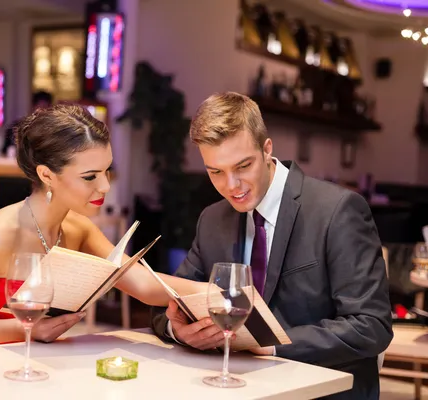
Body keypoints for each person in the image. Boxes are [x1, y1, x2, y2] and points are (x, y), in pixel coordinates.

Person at [151, 92, 393, 399]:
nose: (231, 186)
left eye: (243, 166)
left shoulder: (337, 211)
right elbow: (171, 303)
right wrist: (178, 330)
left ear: (267, 149)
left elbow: (370, 326)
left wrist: (270, 344)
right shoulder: (213, 219)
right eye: (216, 172)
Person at [0, 104, 206, 349]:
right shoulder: (0, 236)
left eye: (107, 171)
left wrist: (214, 292)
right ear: (47, 174)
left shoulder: (78, 228)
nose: (105, 185)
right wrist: (24, 330)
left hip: (39, 368)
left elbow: (143, 285)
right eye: (90, 177)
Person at [1, 91, 53, 156]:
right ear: (33, 106)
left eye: (45, 107)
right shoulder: (17, 126)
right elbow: (4, 151)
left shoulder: (53, 129)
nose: (41, 111)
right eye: (39, 106)